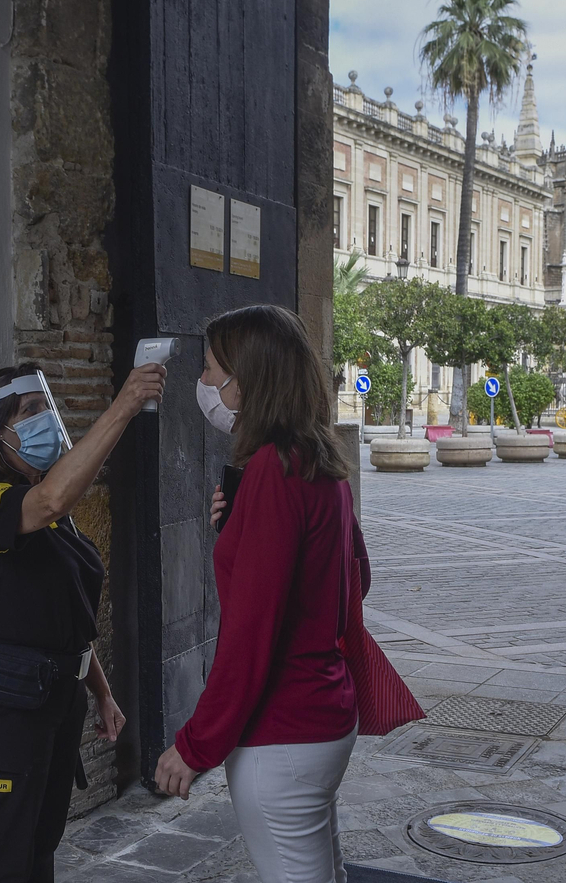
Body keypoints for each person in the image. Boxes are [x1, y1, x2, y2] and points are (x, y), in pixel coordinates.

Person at [153, 304, 421, 883]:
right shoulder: (319, 461)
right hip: (324, 715)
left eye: (208, 369)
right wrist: (243, 527)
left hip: (284, 732)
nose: (201, 383)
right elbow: (354, 579)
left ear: (245, 383)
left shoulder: (275, 472)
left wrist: (196, 745)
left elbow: (250, 634)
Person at [0, 360, 165, 883]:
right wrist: (124, 405)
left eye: (45, 408)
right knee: (5, 849)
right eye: (30, 412)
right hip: (11, 702)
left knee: (43, 840)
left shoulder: (55, 508)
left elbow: (68, 613)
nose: (44, 419)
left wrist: (102, 692)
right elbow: (48, 501)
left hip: (57, 695)